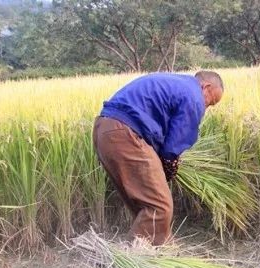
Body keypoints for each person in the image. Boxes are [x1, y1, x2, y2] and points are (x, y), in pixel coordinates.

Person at [93, 71, 224, 245]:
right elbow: (172, 148)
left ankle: (165, 254)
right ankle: (135, 261)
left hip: (105, 130)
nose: (205, 107)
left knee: (145, 205)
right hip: (125, 134)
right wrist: (170, 168)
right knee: (159, 206)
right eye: (210, 101)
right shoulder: (194, 95)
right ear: (206, 87)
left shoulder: (176, 83)